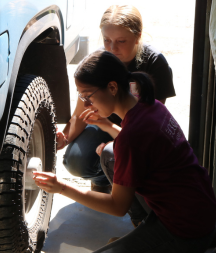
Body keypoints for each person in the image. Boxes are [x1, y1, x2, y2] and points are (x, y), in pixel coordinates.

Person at [34, 50, 216, 253]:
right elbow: (140, 143)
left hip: (185, 231)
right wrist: (106, 125)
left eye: (87, 96)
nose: (85, 104)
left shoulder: (131, 138)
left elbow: (117, 206)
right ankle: (143, 227)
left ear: (112, 87)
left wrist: (61, 187)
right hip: (199, 207)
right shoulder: (151, 106)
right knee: (111, 154)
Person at [56, 5, 176, 195]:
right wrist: (64, 138)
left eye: (121, 41)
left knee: (120, 155)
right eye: (106, 40)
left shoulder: (154, 62)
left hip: (136, 132)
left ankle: (128, 190)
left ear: (138, 36)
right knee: (75, 161)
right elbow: (80, 114)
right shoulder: (96, 62)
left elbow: (152, 122)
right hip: (101, 124)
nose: (112, 48)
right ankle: (103, 177)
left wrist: (116, 145)